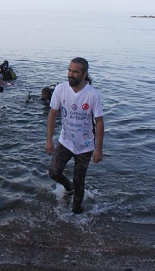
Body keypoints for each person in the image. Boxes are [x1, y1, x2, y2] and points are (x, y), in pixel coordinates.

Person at [44, 57, 104, 214]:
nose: (70, 74)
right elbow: (52, 114)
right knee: (54, 172)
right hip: (65, 141)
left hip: (85, 146)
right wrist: (49, 140)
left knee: (79, 181)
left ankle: (76, 214)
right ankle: (67, 187)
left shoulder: (92, 95)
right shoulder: (61, 89)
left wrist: (98, 149)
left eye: (75, 72)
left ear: (84, 74)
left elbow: (99, 122)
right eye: (69, 70)